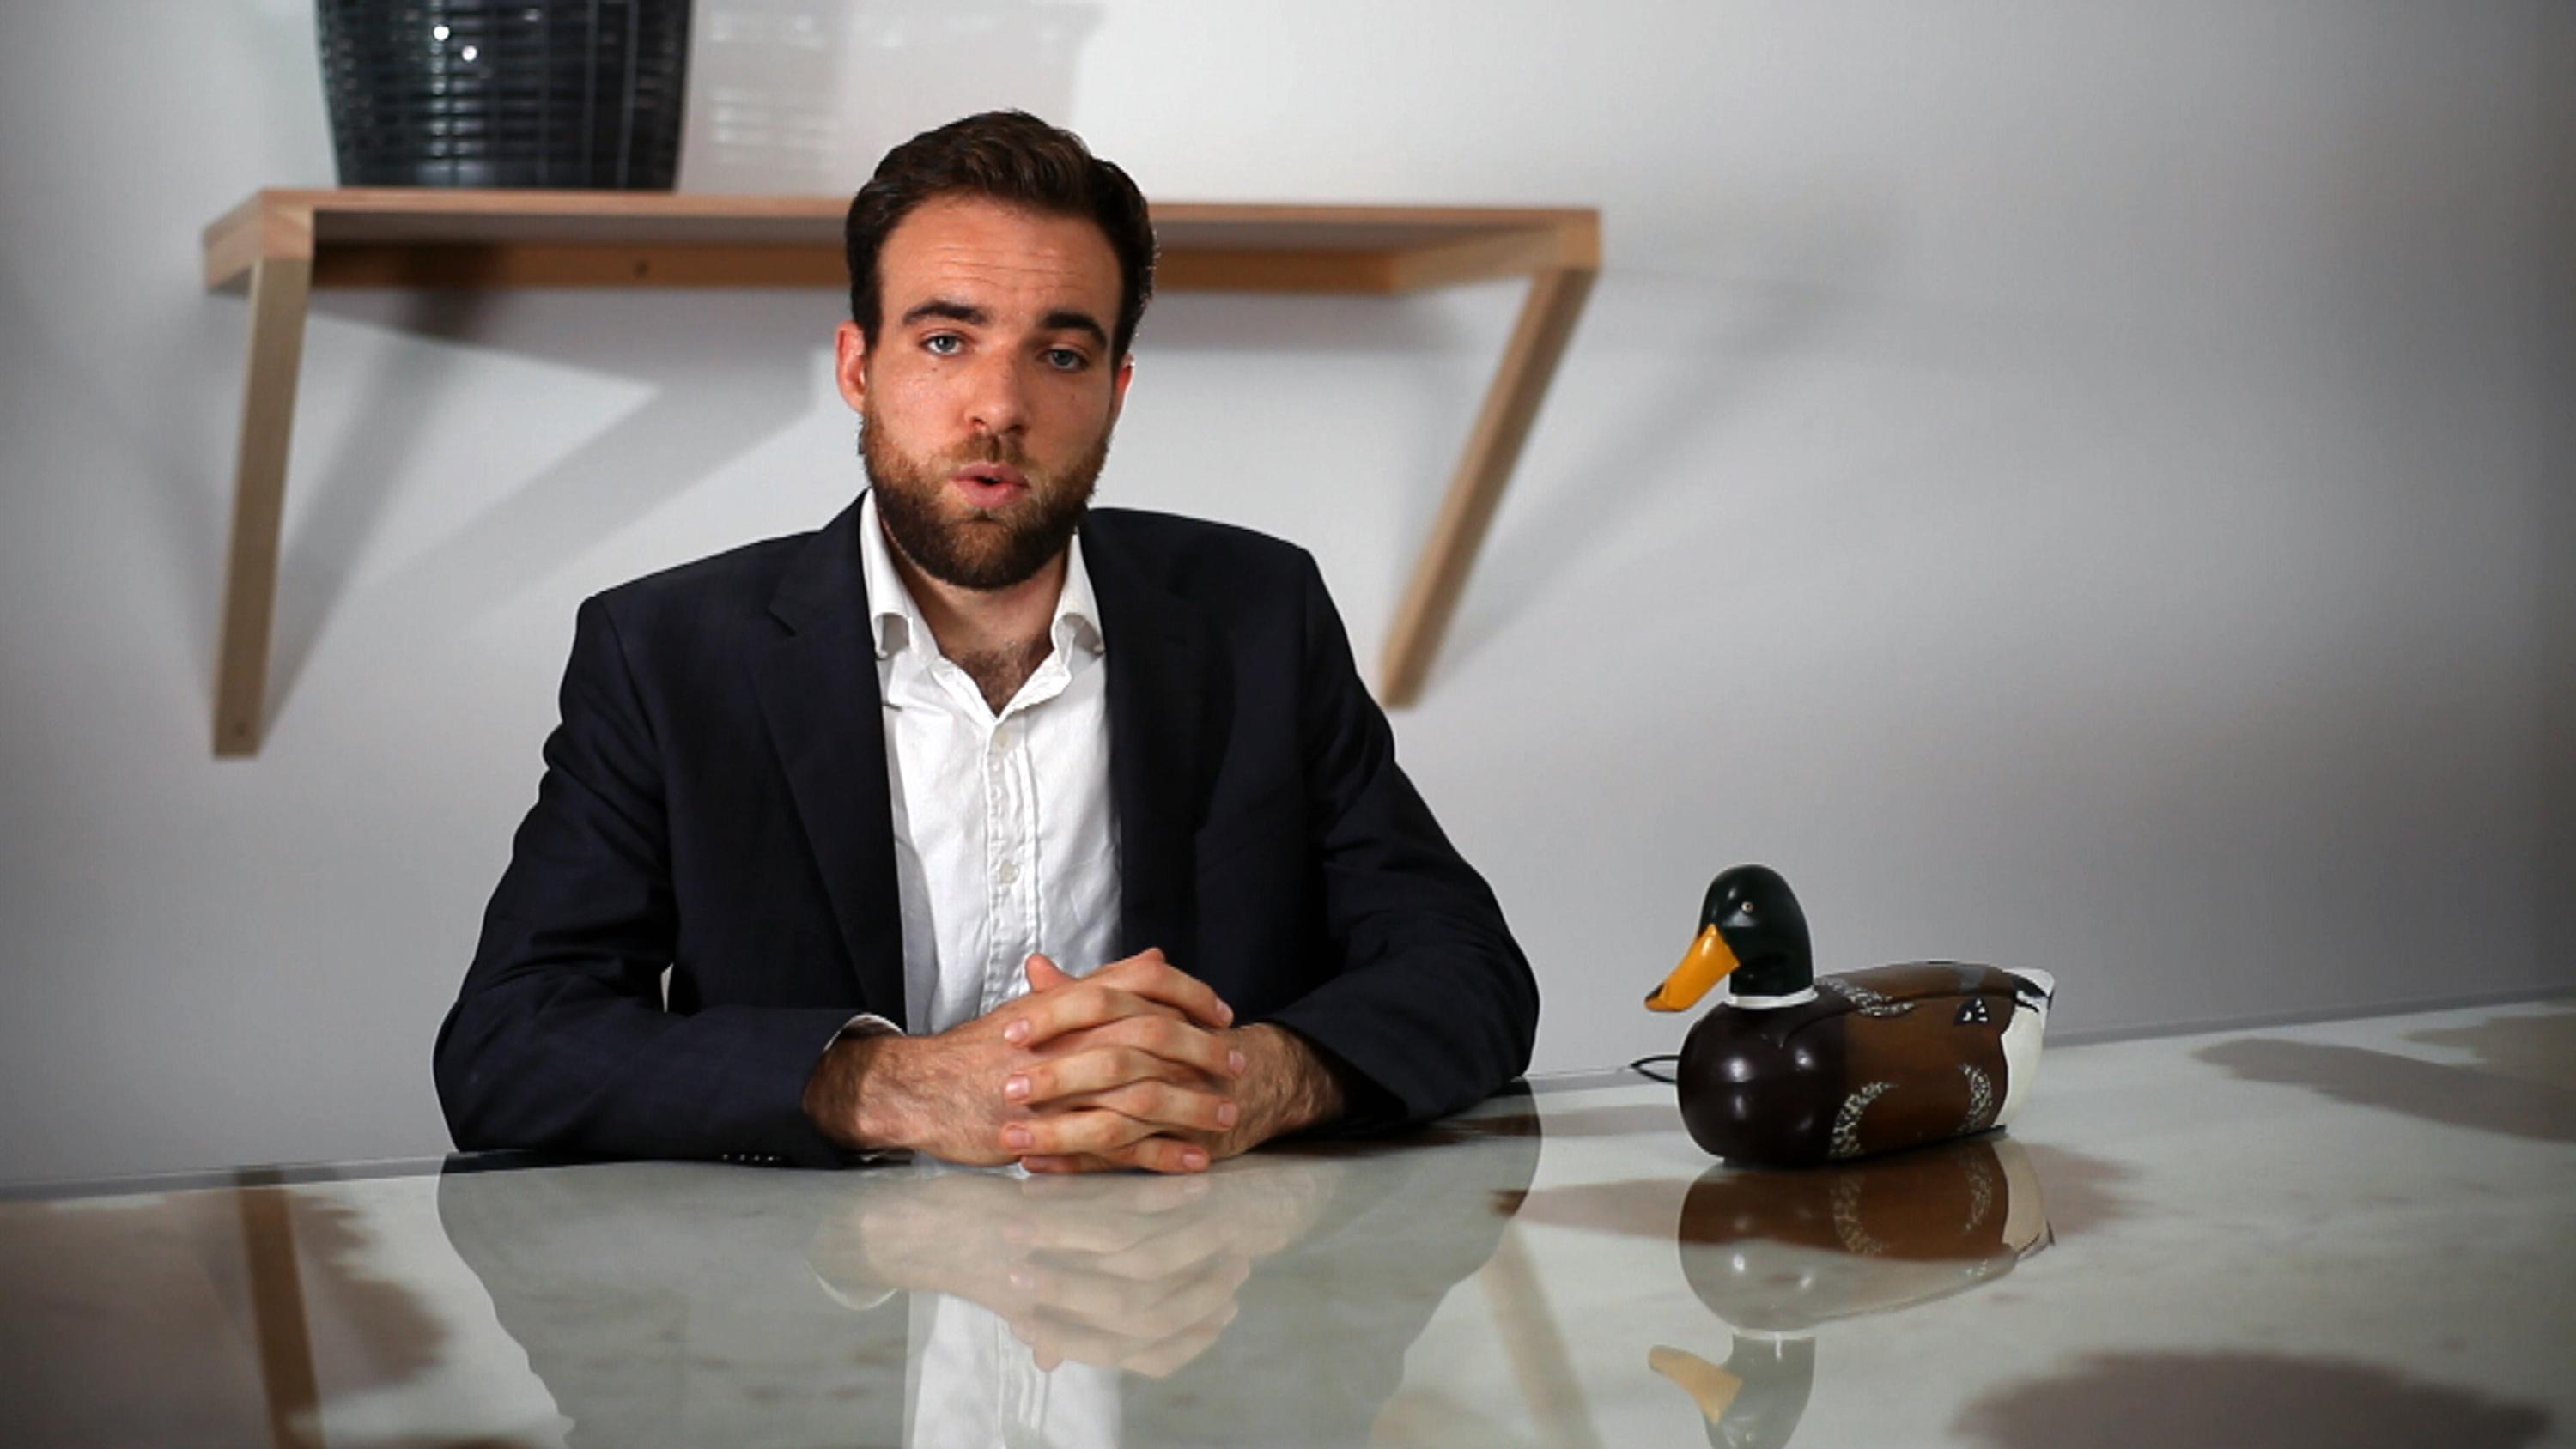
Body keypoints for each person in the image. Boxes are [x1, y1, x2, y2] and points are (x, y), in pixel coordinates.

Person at [433, 111, 1537, 1174]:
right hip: (811, 1329)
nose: (996, 405)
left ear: (1116, 391)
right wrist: (890, 1085)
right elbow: (509, 1045)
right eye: (947, 339)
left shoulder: (1261, 613)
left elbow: (1468, 973)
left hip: (1186, 1313)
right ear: (858, 367)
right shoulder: (667, 652)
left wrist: (1249, 1078)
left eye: (1060, 355)